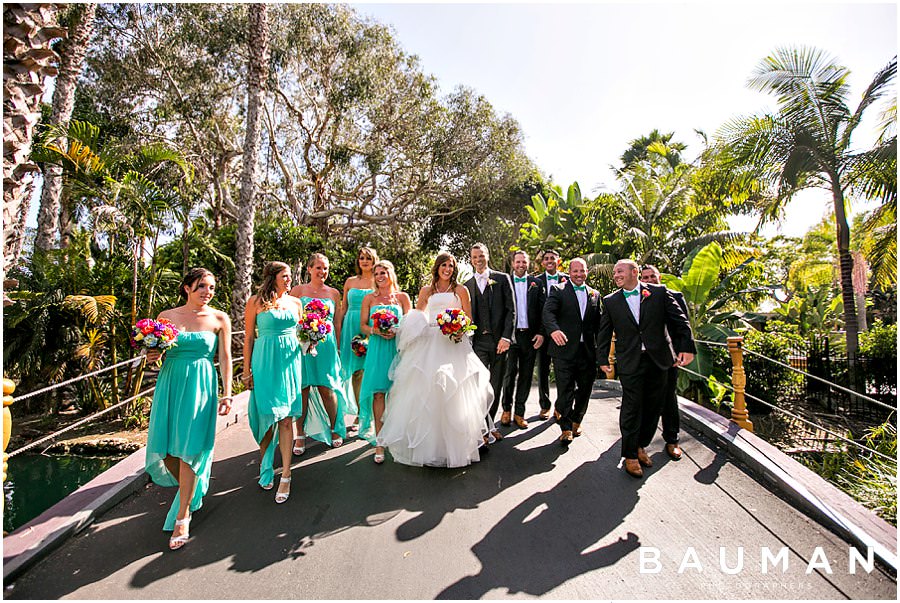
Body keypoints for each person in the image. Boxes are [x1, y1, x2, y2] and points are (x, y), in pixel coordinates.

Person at [144, 268, 233, 550]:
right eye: (201, 287)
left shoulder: (220, 318)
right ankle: (191, 490)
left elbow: (226, 358)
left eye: (211, 287)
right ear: (187, 288)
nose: (207, 292)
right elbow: (156, 356)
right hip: (171, 384)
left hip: (201, 387)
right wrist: (151, 354)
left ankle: (183, 515)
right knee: (169, 450)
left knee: (189, 448)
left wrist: (227, 394)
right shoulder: (166, 317)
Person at [378, 252, 493, 467]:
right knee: (428, 393)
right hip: (430, 344)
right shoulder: (426, 291)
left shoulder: (461, 290)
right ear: (437, 267)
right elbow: (418, 314)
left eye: (451, 266)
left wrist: (460, 329)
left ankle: (455, 449)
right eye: (444, 265)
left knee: (454, 391)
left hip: (453, 344)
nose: (447, 269)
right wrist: (406, 328)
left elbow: (468, 317)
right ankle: (429, 448)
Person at [598, 259, 695, 478]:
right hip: (630, 361)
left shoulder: (659, 293)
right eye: (614, 272)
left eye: (619, 271)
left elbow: (680, 321)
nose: (615, 275)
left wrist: (687, 348)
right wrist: (602, 358)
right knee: (632, 406)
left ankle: (641, 444)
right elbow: (604, 332)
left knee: (654, 405)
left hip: (658, 359)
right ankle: (630, 455)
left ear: (634, 272)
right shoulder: (611, 301)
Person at [243, 261, 305, 504]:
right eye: (285, 276)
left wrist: (312, 339)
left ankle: (287, 474)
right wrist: (246, 371)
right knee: (267, 416)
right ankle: (266, 461)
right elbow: (248, 338)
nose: (289, 280)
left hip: (290, 362)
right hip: (264, 361)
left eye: (290, 276)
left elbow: (302, 334)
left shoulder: (296, 303)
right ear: (273, 277)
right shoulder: (255, 302)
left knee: (287, 418)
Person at [290, 253, 353, 452]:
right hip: (302, 347)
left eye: (325, 268)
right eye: (318, 267)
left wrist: (340, 348)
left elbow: (337, 324)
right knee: (303, 390)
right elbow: (291, 320)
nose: (322, 272)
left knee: (328, 388)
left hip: (327, 347)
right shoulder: (298, 291)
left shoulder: (334, 293)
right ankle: (299, 435)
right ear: (309, 269)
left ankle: (335, 427)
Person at [542, 258, 601, 445]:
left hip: (587, 352)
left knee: (585, 389)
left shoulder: (595, 294)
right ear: (569, 272)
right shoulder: (558, 290)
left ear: (587, 272)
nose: (578, 274)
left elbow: (599, 324)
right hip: (563, 350)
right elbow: (548, 313)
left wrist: (603, 350)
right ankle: (566, 427)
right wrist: (554, 330)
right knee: (565, 389)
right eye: (575, 271)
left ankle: (577, 419)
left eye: (582, 271)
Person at [358, 260, 411, 463]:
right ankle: (379, 442)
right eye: (377, 273)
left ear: (391, 274)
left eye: (383, 272)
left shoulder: (402, 298)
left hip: (397, 349)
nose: (380, 276)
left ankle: (398, 437)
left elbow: (410, 324)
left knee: (398, 394)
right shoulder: (369, 299)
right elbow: (363, 325)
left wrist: (396, 330)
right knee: (379, 394)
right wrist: (376, 330)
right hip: (377, 350)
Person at [463, 242, 514, 442]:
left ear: (487, 255)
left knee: (496, 384)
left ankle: (490, 424)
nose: (478, 260)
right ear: (471, 260)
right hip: (478, 343)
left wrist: (506, 337)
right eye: (474, 257)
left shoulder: (502, 279)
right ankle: (482, 428)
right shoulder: (467, 285)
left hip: (500, 341)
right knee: (480, 386)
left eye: (481, 256)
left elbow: (512, 310)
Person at [640, 264, 690, 461]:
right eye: (646, 277)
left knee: (668, 398)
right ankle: (639, 441)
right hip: (643, 358)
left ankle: (672, 439)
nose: (650, 279)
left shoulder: (674, 296)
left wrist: (680, 353)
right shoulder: (638, 298)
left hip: (668, 357)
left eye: (653, 276)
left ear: (659, 277)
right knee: (642, 400)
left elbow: (682, 326)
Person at [501, 250, 545, 429]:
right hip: (511, 336)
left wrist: (541, 332)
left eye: (524, 262)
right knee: (509, 374)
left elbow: (544, 309)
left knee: (526, 376)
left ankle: (520, 413)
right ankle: (506, 410)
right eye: (517, 262)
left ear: (528, 264)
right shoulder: (505, 282)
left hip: (530, 336)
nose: (520, 265)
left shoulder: (537, 283)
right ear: (512, 264)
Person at [340, 246, 378, 427]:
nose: (364, 261)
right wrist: (338, 334)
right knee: (356, 372)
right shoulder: (349, 282)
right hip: (350, 326)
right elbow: (343, 309)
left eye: (368, 258)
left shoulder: (378, 281)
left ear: (373, 261)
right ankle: (361, 412)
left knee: (369, 370)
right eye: (362, 258)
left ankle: (372, 411)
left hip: (370, 326)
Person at [534, 249, 568, 420]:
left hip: (561, 333)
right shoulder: (536, 281)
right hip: (542, 333)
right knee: (543, 370)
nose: (549, 261)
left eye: (552, 259)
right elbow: (534, 309)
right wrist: (540, 331)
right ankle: (545, 406)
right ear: (542, 263)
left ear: (558, 261)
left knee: (562, 371)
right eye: (546, 259)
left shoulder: (567, 280)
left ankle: (560, 407)